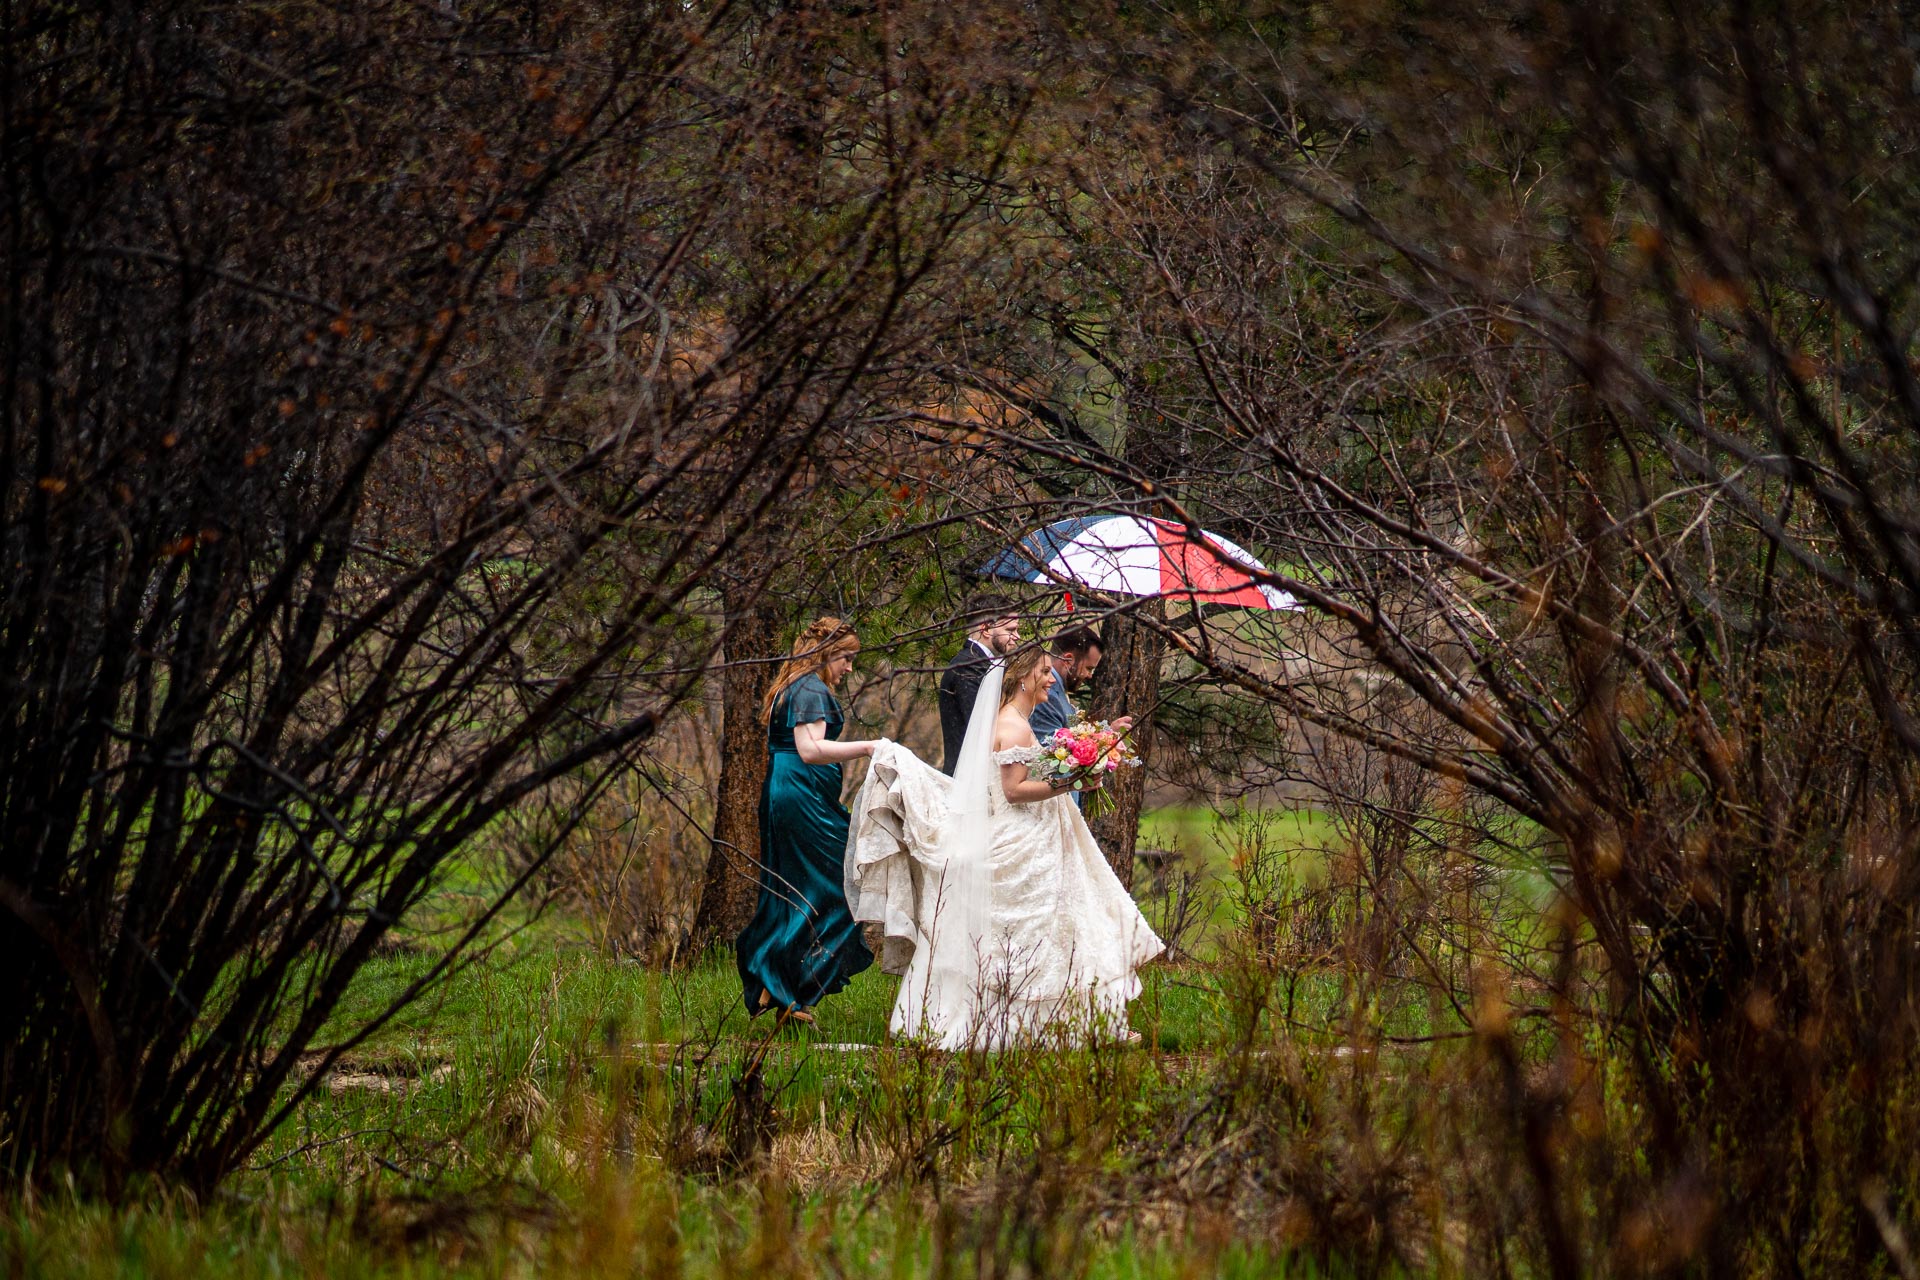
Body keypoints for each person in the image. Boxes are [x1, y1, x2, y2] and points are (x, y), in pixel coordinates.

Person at [845, 645, 1163, 1049]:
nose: (1051, 678)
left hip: (1036, 830)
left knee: (1061, 927)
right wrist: (1072, 782)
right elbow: (1013, 791)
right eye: (1045, 672)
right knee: (1043, 930)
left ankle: (1065, 1021)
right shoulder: (1012, 725)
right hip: (1023, 835)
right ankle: (1035, 1026)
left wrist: (1086, 756)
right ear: (1024, 677)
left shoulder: (1013, 721)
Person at [736, 617, 882, 1024]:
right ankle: (789, 985)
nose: (850, 668)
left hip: (791, 793)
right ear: (825, 653)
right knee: (846, 886)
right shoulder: (811, 687)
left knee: (796, 890)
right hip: (799, 796)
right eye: (846, 658)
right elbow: (811, 749)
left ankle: (778, 987)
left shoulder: (794, 684)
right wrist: (869, 746)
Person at [937, 593, 1021, 774]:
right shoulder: (968, 666)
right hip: (965, 778)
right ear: (986, 629)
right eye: (1010, 630)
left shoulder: (982, 663)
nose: (1018, 636)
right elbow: (981, 727)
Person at [1028, 625, 1105, 741]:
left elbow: (1074, 731)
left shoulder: (1060, 689)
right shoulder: (1048, 695)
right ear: (1068, 660)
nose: (1090, 675)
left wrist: (1106, 737)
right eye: (1088, 668)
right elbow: (1050, 751)